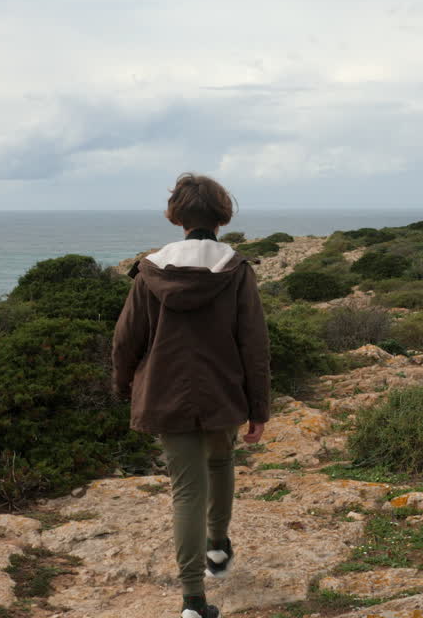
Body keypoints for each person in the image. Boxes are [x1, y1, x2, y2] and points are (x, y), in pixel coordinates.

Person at [112, 173, 270, 618]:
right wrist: (259, 408)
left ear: (176, 215)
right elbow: (254, 345)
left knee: (186, 490)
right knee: (221, 463)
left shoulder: (150, 271)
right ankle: (218, 547)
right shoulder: (236, 269)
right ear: (222, 215)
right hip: (223, 392)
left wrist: (123, 384)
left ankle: (193, 601)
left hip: (164, 392)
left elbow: (126, 340)